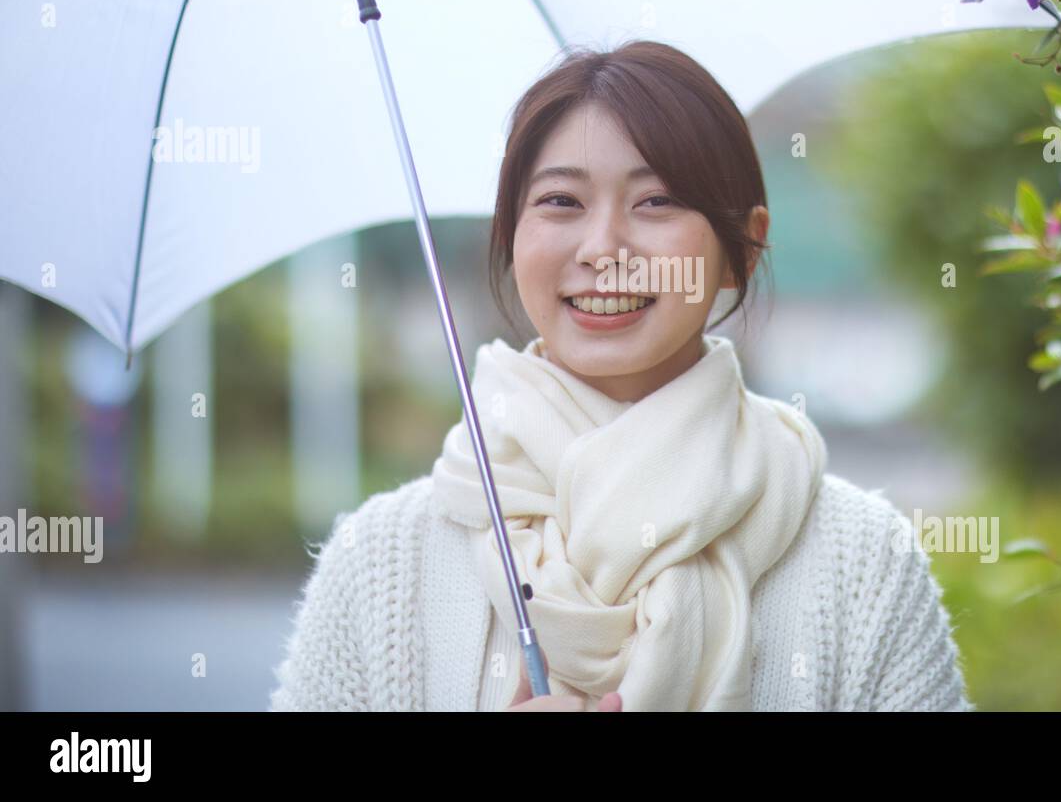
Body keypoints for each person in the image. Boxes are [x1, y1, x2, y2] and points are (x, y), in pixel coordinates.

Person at [269, 40, 973, 712]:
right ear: (513, 239)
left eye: (657, 201)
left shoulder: (860, 562)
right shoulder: (381, 565)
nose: (603, 248)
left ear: (744, 247)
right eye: (560, 202)